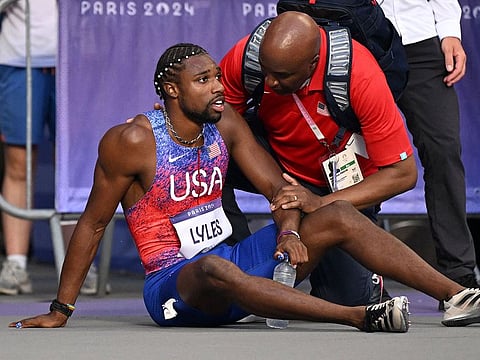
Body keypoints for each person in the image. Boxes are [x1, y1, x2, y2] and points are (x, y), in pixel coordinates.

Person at [8, 42, 480, 331]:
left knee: (334, 215)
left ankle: (456, 295)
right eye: (203, 80)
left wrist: (291, 232)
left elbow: (280, 190)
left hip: (238, 267)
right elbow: (91, 225)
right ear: (172, 90)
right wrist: (60, 308)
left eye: (217, 76)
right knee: (213, 265)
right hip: (177, 287)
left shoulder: (225, 121)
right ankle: (360, 317)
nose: (218, 87)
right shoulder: (131, 140)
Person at [219, 11, 416, 306]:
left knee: (348, 299)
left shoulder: (360, 75)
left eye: (282, 76)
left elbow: (403, 173)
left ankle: (368, 281)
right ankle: (232, 265)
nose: (270, 83)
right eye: (266, 71)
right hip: (277, 162)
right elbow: (219, 121)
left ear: (312, 65)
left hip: (340, 187)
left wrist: (319, 204)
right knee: (205, 154)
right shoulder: (246, 56)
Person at [379, 0, 479, 308]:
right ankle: (360, 277)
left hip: (422, 42)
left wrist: (450, 31)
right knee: (351, 154)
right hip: (364, 45)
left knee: (444, 151)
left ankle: (458, 277)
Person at [0, 0, 98, 295]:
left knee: (73, 164)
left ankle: (78, 264)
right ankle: (16, 264)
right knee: (19, 163)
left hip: (78, 63)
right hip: (19, 61)